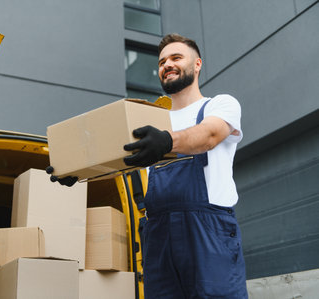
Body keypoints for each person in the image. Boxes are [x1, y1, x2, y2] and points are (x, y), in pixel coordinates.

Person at [47, 33, 248, 298]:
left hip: (208, 232)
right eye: (162, 61)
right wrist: (77, 171)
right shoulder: (150, 121)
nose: (167, 65)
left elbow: (209, 136)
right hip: (159, 234)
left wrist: (166, 141)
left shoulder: (219, 105)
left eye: (176, 57)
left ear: (197, 64)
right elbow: (119, 163)